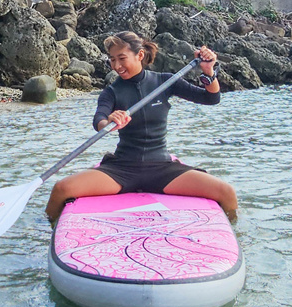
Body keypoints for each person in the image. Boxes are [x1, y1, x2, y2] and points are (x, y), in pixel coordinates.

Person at [45, 30, 238, 225]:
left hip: (162, 169)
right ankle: (47, 230)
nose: (116, 66)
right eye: (112, 60)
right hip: (122, 169)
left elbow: (211, 98)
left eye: (122, 58)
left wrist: (208, 71)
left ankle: (234, 232)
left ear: (140, 55)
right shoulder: (112, 92)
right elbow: (99, 120)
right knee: (61, 189)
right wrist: (109, 123)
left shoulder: (165, 82)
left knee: (226, 192)